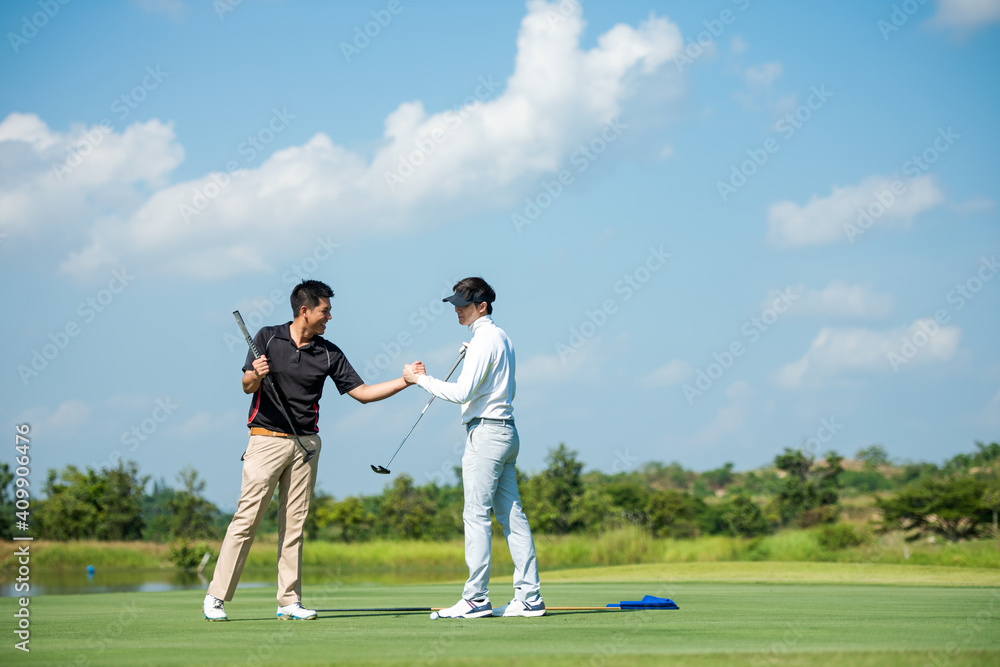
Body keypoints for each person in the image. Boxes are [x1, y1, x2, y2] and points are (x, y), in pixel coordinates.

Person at [204, 280, 417, 621]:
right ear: (305, 310)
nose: (329, 317)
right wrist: (255, 375)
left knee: (294, 525)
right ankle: (216, 597)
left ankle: (289, 602)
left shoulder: (328, 352)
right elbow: (247, 386)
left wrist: (405, 381)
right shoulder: (267, 338)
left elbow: (361, 393)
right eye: (325, 310)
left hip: (306, 445)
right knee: (247, 521)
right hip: (265, 440)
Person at [403, 277, 544, 618]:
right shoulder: (500, 337)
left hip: (487, 435)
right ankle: (529, 597)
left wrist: (419, 380)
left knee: (476, 515)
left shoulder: (484, 339)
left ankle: (476, 598)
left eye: (463, 305)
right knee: (513, 517)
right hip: (506, 433)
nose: (457, 310)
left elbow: (461, 393)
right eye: (455, 304)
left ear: (482, 306)